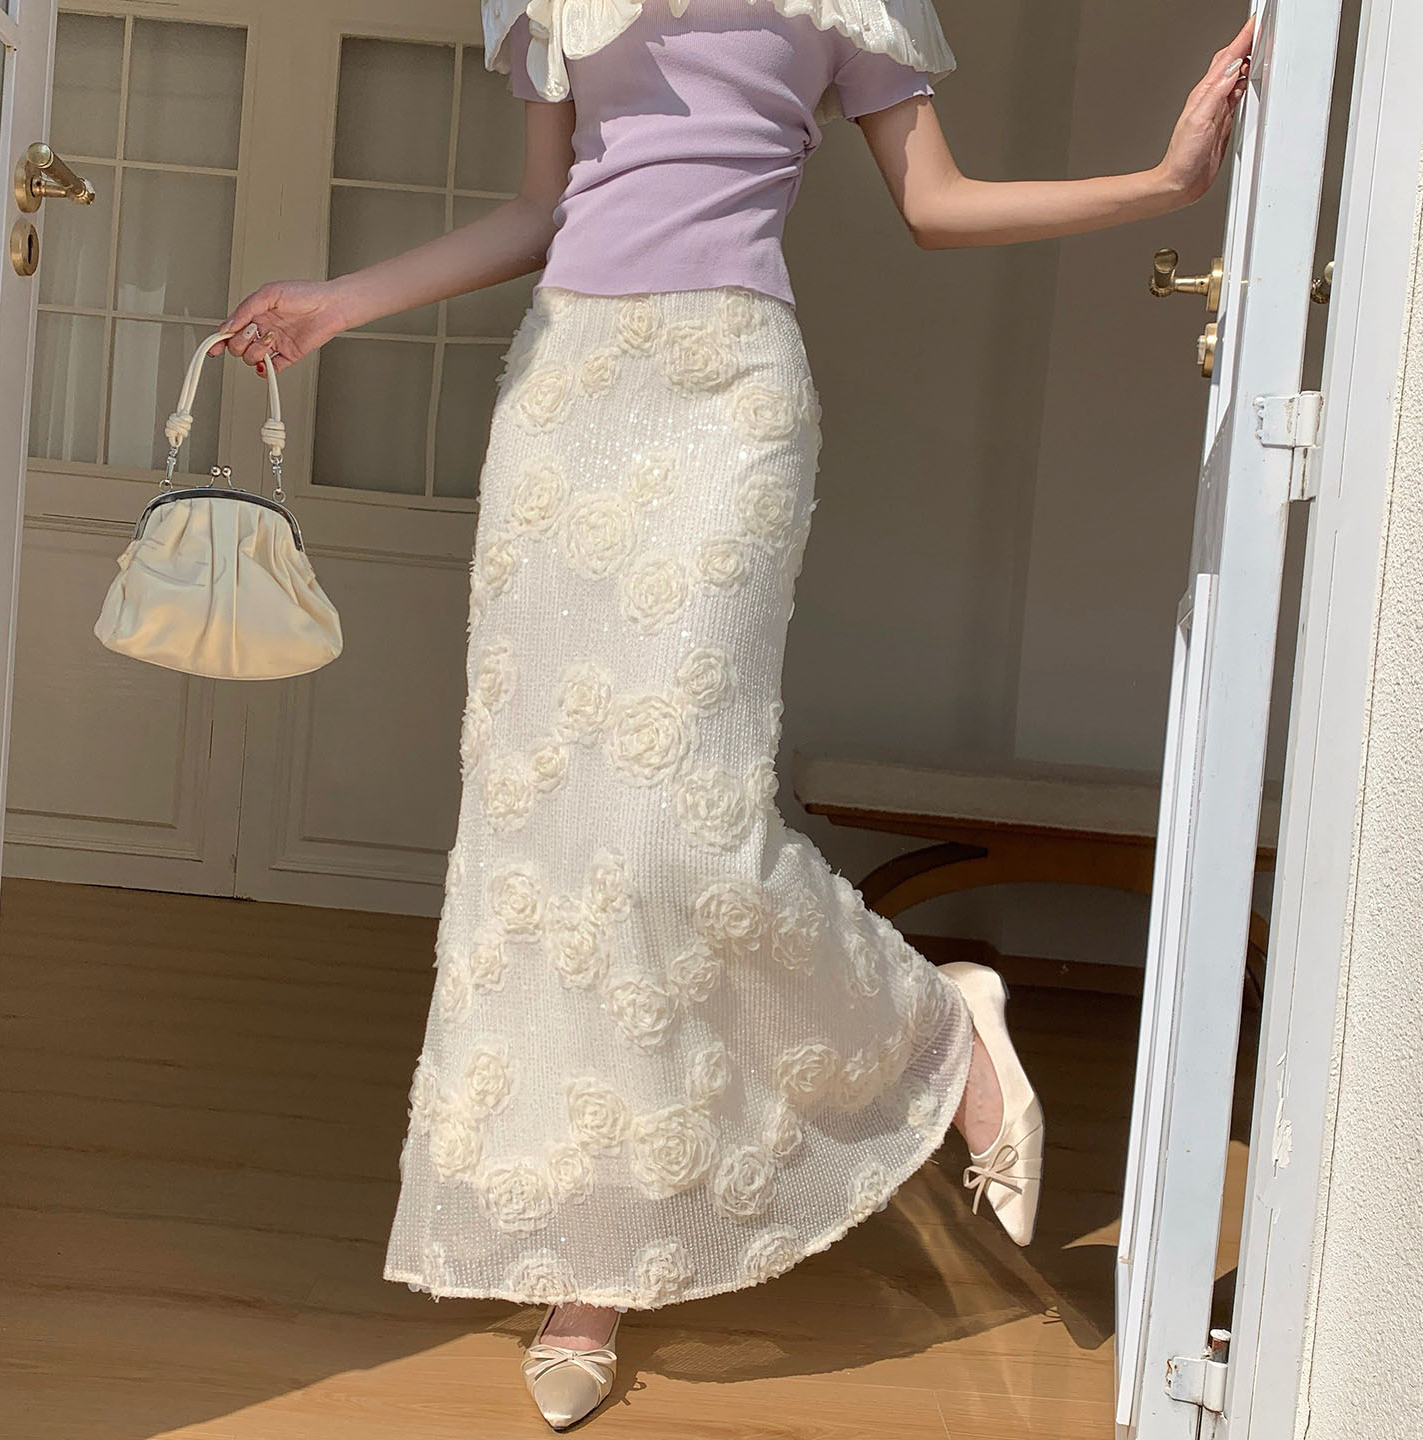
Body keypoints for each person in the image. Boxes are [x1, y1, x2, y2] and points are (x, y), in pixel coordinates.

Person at [216, 2, 1252, 1427]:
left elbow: (935, 204)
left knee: (674, 831)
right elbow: (541, 210)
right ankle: (589, 1267)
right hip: (567, 398)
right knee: (549, 843)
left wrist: (1166, 183)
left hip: (727, 401)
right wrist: (342, 303)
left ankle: (941, 1027)